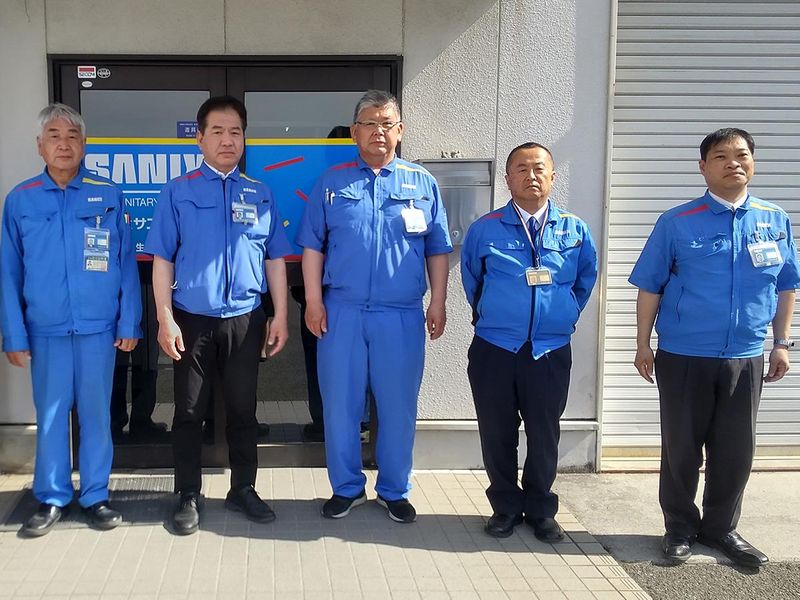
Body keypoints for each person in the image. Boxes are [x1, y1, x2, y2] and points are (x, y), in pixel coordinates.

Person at [630, 128, 800, 567]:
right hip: (684, 355)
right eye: (721, 156)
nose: (733, 163)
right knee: (681, 449)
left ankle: (721, 529)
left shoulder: (774, 219)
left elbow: (786, 287)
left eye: (741, 155)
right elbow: (649, 287)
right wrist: (642, 343)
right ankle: (679, 528)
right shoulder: (677, 222)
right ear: (703, 167)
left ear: (753, 163)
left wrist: (781, 343)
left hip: (745, 355)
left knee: (736, 451)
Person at [297, 89, 452, 523]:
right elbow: (312, 247)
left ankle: (394, 489)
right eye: (369, 123)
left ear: (400, 131)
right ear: (354, 132)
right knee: (340, 407)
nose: (378, 132)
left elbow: (438, 248)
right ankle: (346, 488)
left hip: (400, 315)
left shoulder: (422, 183)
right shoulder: (332, 183)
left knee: (398, 407)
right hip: (342, 312)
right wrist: (313, 301)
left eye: (387, 124)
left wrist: (438, 301)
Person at [145, 96, 290, 535]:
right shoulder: (178, 191)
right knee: (189, 410)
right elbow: (162, 259)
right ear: (200, 138)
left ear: (244, 138)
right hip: (192, 319)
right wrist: (164, 318)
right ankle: (188, 493)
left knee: (244, 410)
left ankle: (243, 487)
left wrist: (280, 314)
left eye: (236, 132)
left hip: (245, 319)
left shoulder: (260, 193)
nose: (228, 140)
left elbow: (274, 259)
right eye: (218, 132)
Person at [0, 103, 141, 536]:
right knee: (51, 416)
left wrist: (129, 322)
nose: (64, 144)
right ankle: (52, 496)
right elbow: (9, 272)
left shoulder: (108, 194)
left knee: (97, 414)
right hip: (46, 331)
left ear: (84, 145)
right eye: (54, 136)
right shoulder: (21, 199)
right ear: (39, 146)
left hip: (99, 329)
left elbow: (126, 263)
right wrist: (13, 333)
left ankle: (96, 495)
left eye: (72, 136)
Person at [461, 142, 597, 540]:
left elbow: (585, 280)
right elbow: (473, 282)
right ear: (508, 179)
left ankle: (540, 509)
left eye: (539, 168)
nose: (531, 175)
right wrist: (497, 315)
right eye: (521, 169)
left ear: (553, 176)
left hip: (550, 350)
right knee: (496, 431)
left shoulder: (574, 230)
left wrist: (563, 314)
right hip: (495, 349)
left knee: (544, 432)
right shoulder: (485, 229)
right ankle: (504, 507)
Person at [110, 262, 167, 442]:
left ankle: (140, 420)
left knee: (146, 356)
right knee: (120, 355)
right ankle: (117, 422)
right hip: (118, 276)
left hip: (151, 274)